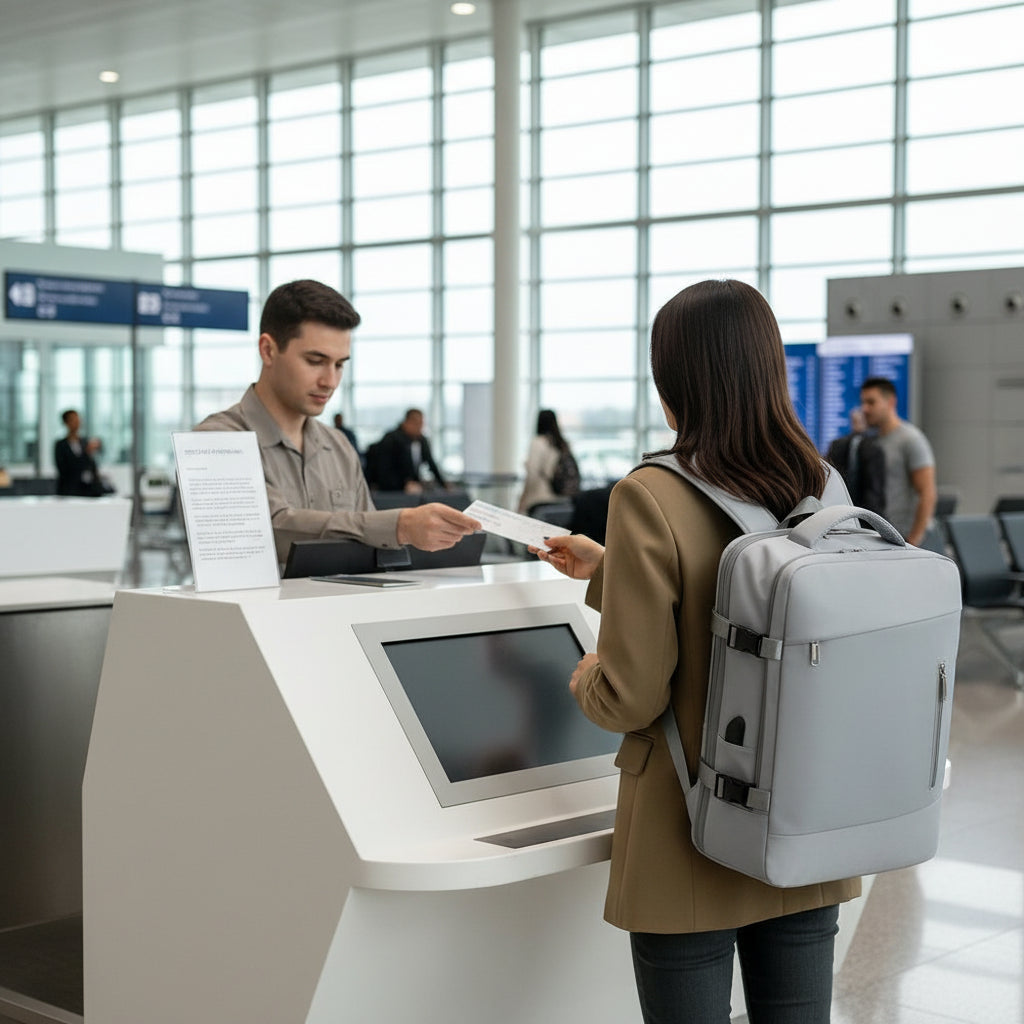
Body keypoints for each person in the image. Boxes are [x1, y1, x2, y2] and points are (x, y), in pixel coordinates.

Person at [531, 280, 859, 1024]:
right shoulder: (825, 487)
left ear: (672, 378)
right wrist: (610, 566)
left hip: (688, 826)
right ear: (769, 368)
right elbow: (755, 595)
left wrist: (587, 678)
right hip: (805, 814)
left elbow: (633, 695)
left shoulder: (649, 493)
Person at [195, 279, 479, 564]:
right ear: (268, 350)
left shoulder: (338, 447)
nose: (330, 381)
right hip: (251, 609)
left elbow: (370, 549)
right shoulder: (215, 442)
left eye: (339, 364)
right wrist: (400, 526)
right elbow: (264, 532)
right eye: (315, 361)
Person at [859, 376, 936, 546]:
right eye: (863, 402)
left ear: (890, 402)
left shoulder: (911, 440)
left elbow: (927, 493)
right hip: (880, 537)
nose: (865, 409)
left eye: (871, 402)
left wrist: (914, 540)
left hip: (904, 537)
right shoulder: (871, 443)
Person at [366, 409, 447, 493]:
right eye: (417, 424)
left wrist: (443, 484)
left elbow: (430, 462)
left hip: (413, 488)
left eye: (421, 424)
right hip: (391, 490)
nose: (420, 427)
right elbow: (384, 469)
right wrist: (404, 484)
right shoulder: (391, 440)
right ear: (407, 423)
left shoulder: (421, 440)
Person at [825, 407, 886, 517]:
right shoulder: (875, 448)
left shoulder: (836, 445)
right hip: (869, 517)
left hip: (838, 513)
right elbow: (875, 491)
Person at [517, 409, 578, 513]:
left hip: (540, 500)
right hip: (562, 500)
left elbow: (532, 475)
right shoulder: (562, 444)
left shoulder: (538, 443)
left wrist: (522, 500)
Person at [54, 409, 108, 497]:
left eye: (78, 419)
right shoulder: (61, 445)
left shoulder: (85, 442)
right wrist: (85, 453)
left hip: (88, 490)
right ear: (66, 423)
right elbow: (65, 470)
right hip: (69, 491)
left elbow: (92, 466)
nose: (76, 423)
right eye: (73, 420)